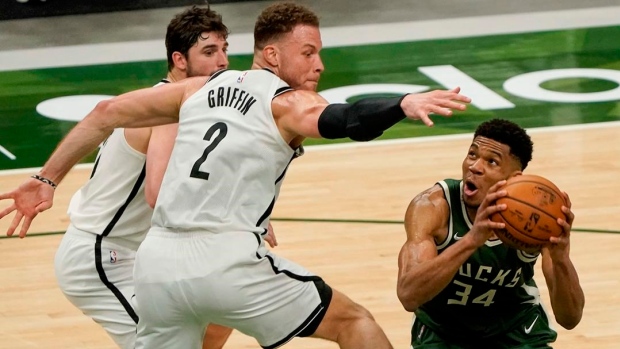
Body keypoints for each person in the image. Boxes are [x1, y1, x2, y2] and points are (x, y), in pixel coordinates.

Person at [0, 2, 471, 349]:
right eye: (308, 53)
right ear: (271, 54)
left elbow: (105, 111)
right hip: (203, 256)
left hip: (158, 262)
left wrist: (46, 180)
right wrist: (401, 104)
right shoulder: (286, 101)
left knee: (212, 327)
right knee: (354, 323)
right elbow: (344, 120)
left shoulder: (195, 91)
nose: (320, 65)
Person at [52, 6, 238, 349]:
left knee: (219, 314)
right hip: (100, 256)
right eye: (210, 52)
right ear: (180, 60)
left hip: (134, 253)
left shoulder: (185, 104)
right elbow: (160, 194)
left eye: (225, 50)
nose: (223, 62)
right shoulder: (167, 111)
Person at [396, 118, 585, 348]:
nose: (474, 166)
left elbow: (570, 318)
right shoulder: (433, 207)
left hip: (515, 330)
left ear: (514, 179)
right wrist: (471, 240)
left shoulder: (537, 218)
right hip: (443, 331)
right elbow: (408, 295)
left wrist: (561, 258)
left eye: (491, 161)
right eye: (472, 154)